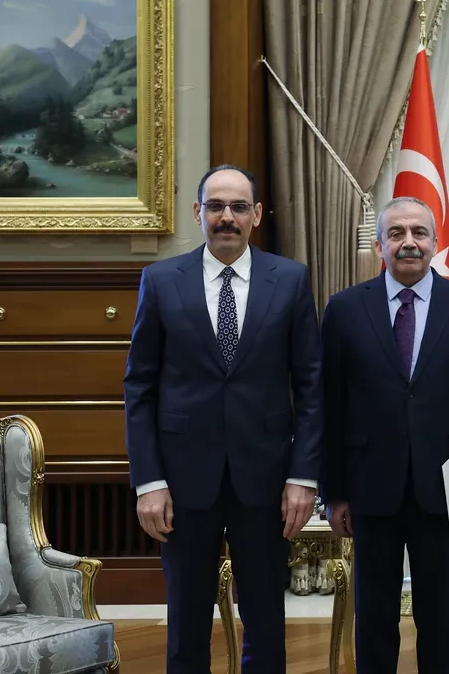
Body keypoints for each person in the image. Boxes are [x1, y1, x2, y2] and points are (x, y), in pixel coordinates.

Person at [124, 164, 323, 674]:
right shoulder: (162, 280)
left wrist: (303, 477)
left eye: (238, 207)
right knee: (186, 627)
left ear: (256, 215)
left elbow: (311, 386)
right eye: (216, 206)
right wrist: (149, 481)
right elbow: (139, 388)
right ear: (198, 213)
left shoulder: (292, 279)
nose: (226, 217)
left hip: (267, 480)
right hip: (183, 484)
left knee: (266, 624)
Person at [320, 196, 449, 673]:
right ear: (380, 245)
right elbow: (330, 406)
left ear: (436, 243)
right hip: (368, 487)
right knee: (374, 615)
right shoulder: (344, 309)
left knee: (440, 616)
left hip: (447, 487)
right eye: (396, 234)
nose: (409, 243)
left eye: (419, 233)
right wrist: (333, 492)